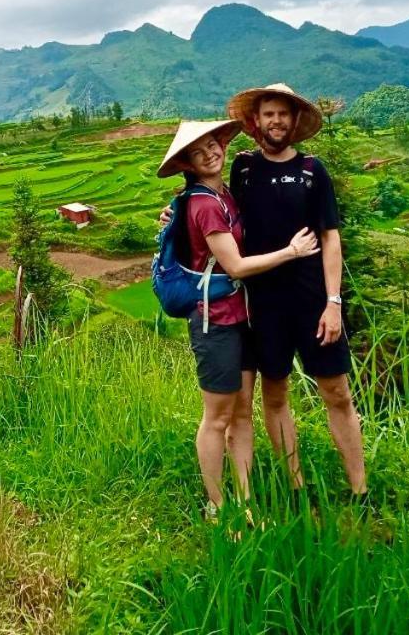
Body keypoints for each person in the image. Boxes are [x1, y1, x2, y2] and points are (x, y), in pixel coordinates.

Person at [156, 119, 319, 519]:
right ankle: (217, 505)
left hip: (239, 317)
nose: (211, 152)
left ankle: (244, 501)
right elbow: (237, 266)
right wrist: (292, 253)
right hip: (216, 323)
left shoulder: (223, 193)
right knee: (217, 418)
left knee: (241, 413)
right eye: (199, 151)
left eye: (213, 144)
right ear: (188, 164)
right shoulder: (205, 204)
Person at [225, 83, 367, 499]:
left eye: (283, 114)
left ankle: (360, 490)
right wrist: (175, 213)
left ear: (295, 121)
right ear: (256, 121)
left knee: (337, 392)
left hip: (313, 304)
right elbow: (220, 214)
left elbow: (331, 239)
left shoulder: (312, 171)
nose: (276, 121)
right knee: (275, 393)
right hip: (264, 306)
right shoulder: (244, 168)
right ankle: (297, 485)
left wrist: (333, 302)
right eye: (269, 113)